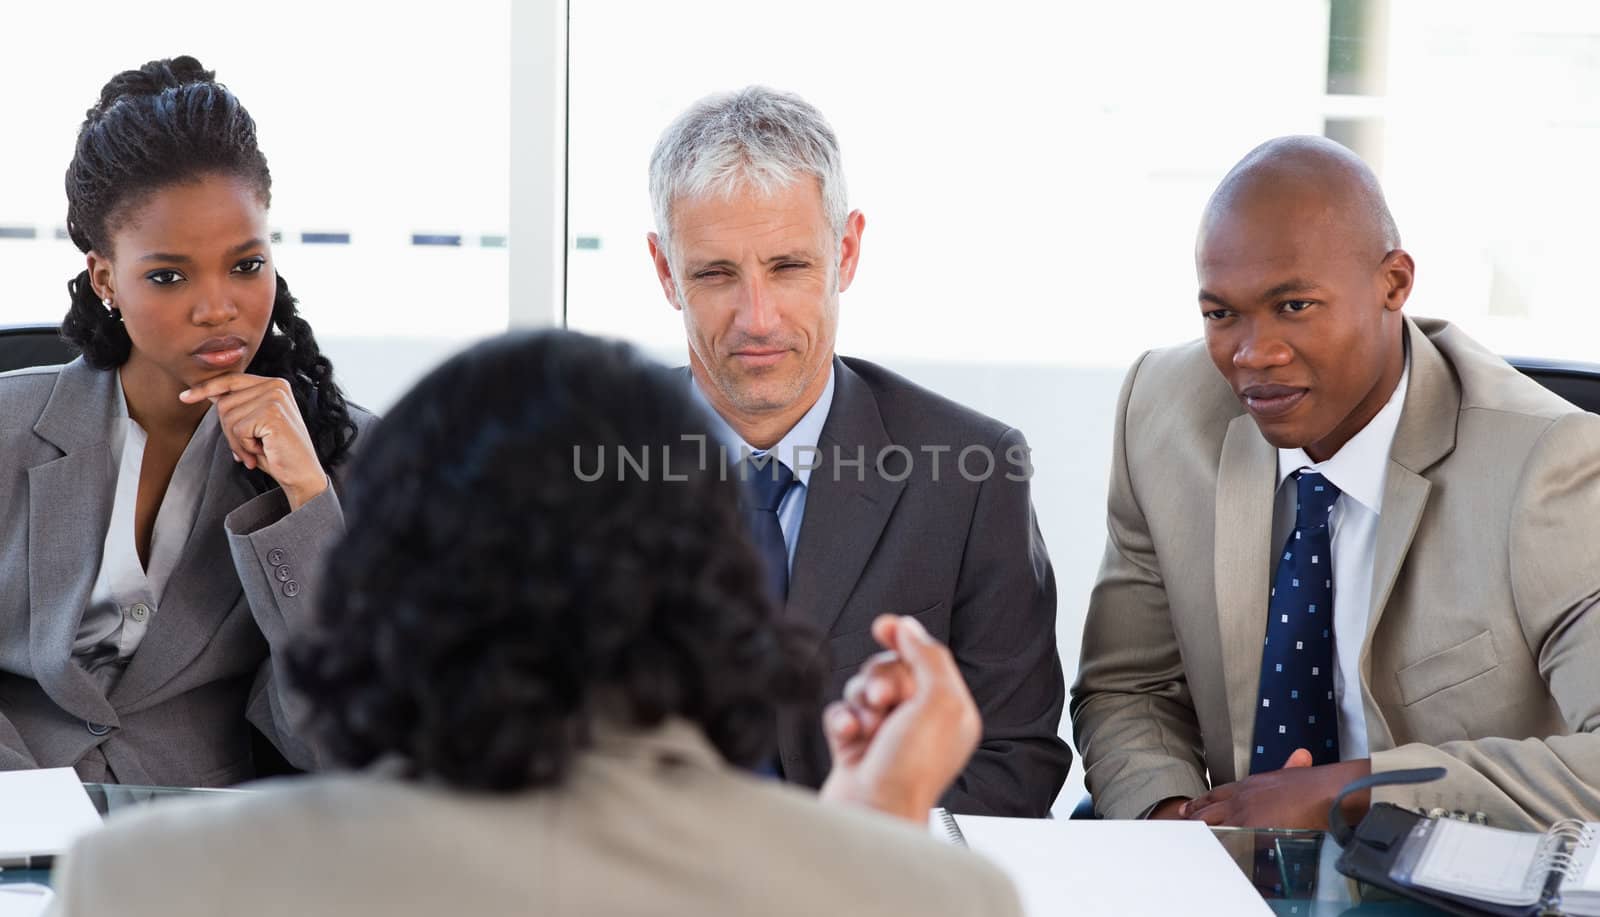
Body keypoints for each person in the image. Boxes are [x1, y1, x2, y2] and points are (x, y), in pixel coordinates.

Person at [46, 330, 1022, 917]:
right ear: (720, 590)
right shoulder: (933, 899)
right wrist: (863, 851)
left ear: (382, 582)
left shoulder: (140, 881)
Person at [1071, 135, 1600, 830]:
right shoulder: (1161, 413)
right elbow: (1128, 686)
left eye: (1294, 306)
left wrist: (1355, 792)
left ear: (1394, 284)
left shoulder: (1547, 465)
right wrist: (1176, 820)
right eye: (1220, 313)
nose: (1254, 353)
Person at [644, 86, 1072, 817]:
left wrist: (842, 867)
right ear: (664, 272)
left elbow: (1015, 758)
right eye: (716, 274)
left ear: (845, 252)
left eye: (788, 267)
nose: (758, 317)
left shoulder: (974, 472)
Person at [0, 56, 372, 784]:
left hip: (206, 851)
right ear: (105, 277)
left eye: (245, 265)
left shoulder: (350, 455)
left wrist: (305, 502)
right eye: (168, 276)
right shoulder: (8, 428)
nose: (218, 307)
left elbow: (343, 744)